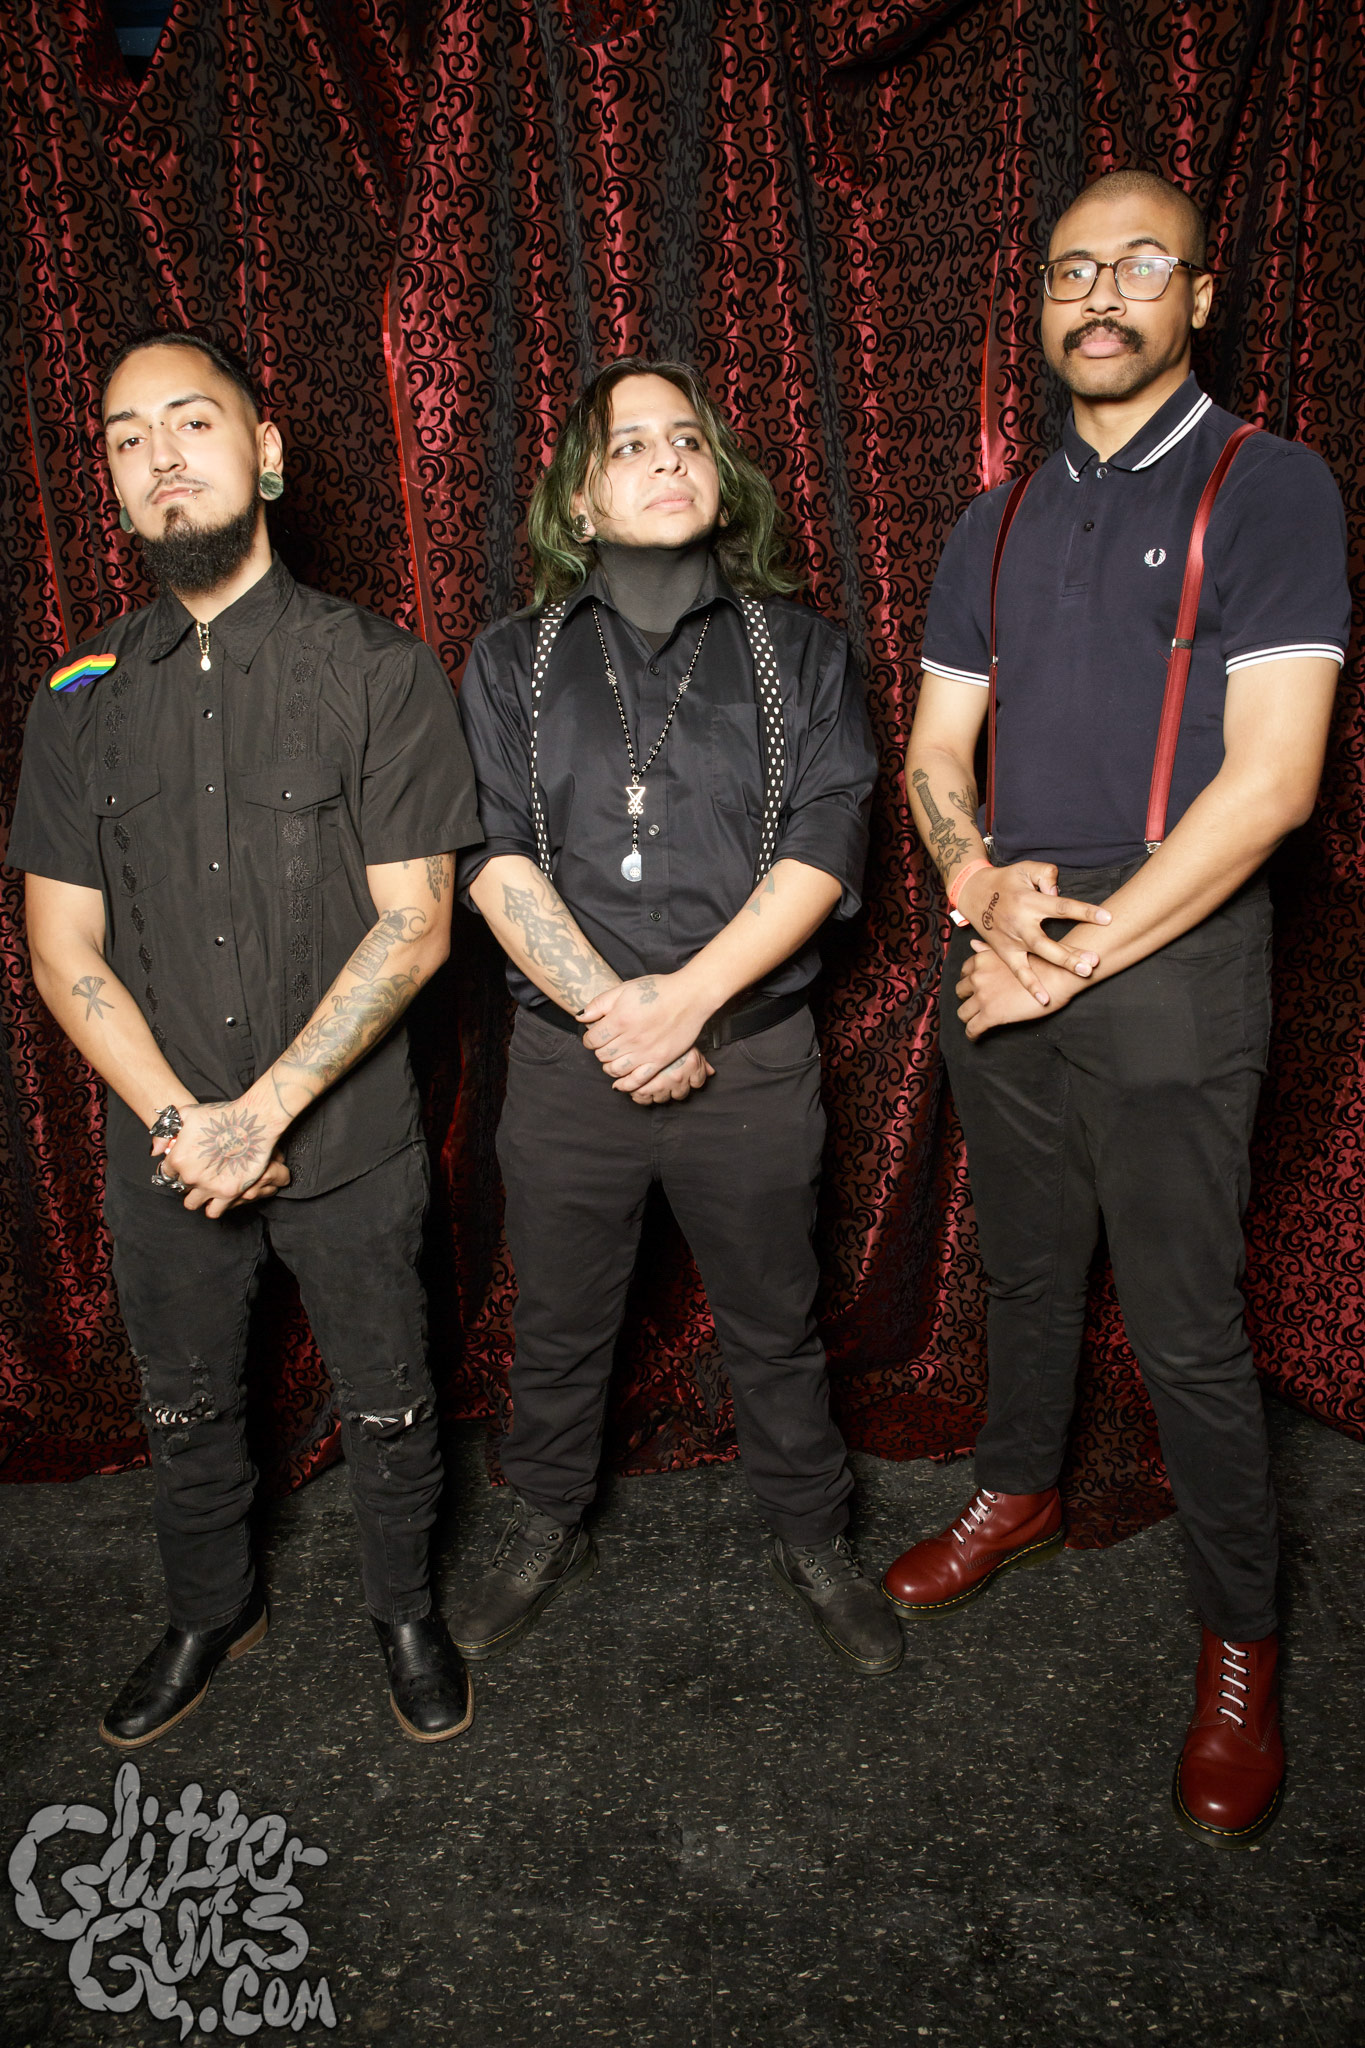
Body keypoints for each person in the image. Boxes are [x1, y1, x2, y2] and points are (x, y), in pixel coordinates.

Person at [886, 169, 1351, 1842]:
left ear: (1199, 295)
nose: (1099, 292)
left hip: (1170, 949)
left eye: (1140, 262)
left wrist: (1069, 955)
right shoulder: (994, 520)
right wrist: (975, 889)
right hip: (1005, 931)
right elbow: (936, 754)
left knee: (1183, 1323)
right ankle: (1018, 1489)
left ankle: (1240, 1640)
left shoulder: (1268, 485)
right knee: (1023, 1261)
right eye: (1069, 267)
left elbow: (1272, 786)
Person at [9, 328, 484, 1747]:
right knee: (184, 1404)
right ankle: (211, 1608)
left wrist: (261, 1115)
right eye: (126, 437)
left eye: (191, 421)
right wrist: (181, 1124)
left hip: (345, 1142)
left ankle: (405, 1608)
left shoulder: (380, 670)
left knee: (390, 1400)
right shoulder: (76, 697)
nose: (160, 456)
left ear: (264, 451)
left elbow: (416, 926)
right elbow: (61, 946)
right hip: (162, 1147)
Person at [449, 358, 901, 1676]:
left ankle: (813, 1533)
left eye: (687, 440)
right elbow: (489, 855)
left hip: (750, 1058)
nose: (665, 460)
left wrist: (690, 1003)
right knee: (559, 1323)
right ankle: (546, 1517)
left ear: (722, 478)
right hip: (568, 1061)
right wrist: (617, 1018)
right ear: (578, 501)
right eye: (629, 445)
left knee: (775, 1320)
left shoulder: (802, 652)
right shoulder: (511, 660)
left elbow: (824, 841)